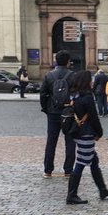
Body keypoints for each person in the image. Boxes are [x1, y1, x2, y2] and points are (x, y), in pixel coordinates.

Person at [65, 70, 108, 205]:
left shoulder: (74, 95)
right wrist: (99, 132)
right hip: (86, 133)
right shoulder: (87, 97)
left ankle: (102, 189)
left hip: (77, 132)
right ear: (86, 81)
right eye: (90, 79)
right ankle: (71, 195)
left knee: (94, 160)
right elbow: (93, 117)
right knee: (81, 163)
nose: (92, 81)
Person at [40, 50, 75, 178]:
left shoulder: (49, 75)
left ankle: (48, 170)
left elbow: (43, 94)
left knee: (51, 141)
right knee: (70, 141)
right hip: (68, 112)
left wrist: (46, 108)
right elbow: (76, 94)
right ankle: (68, 170)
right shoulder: (72, 75)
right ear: (67, 62)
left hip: (53, 112)